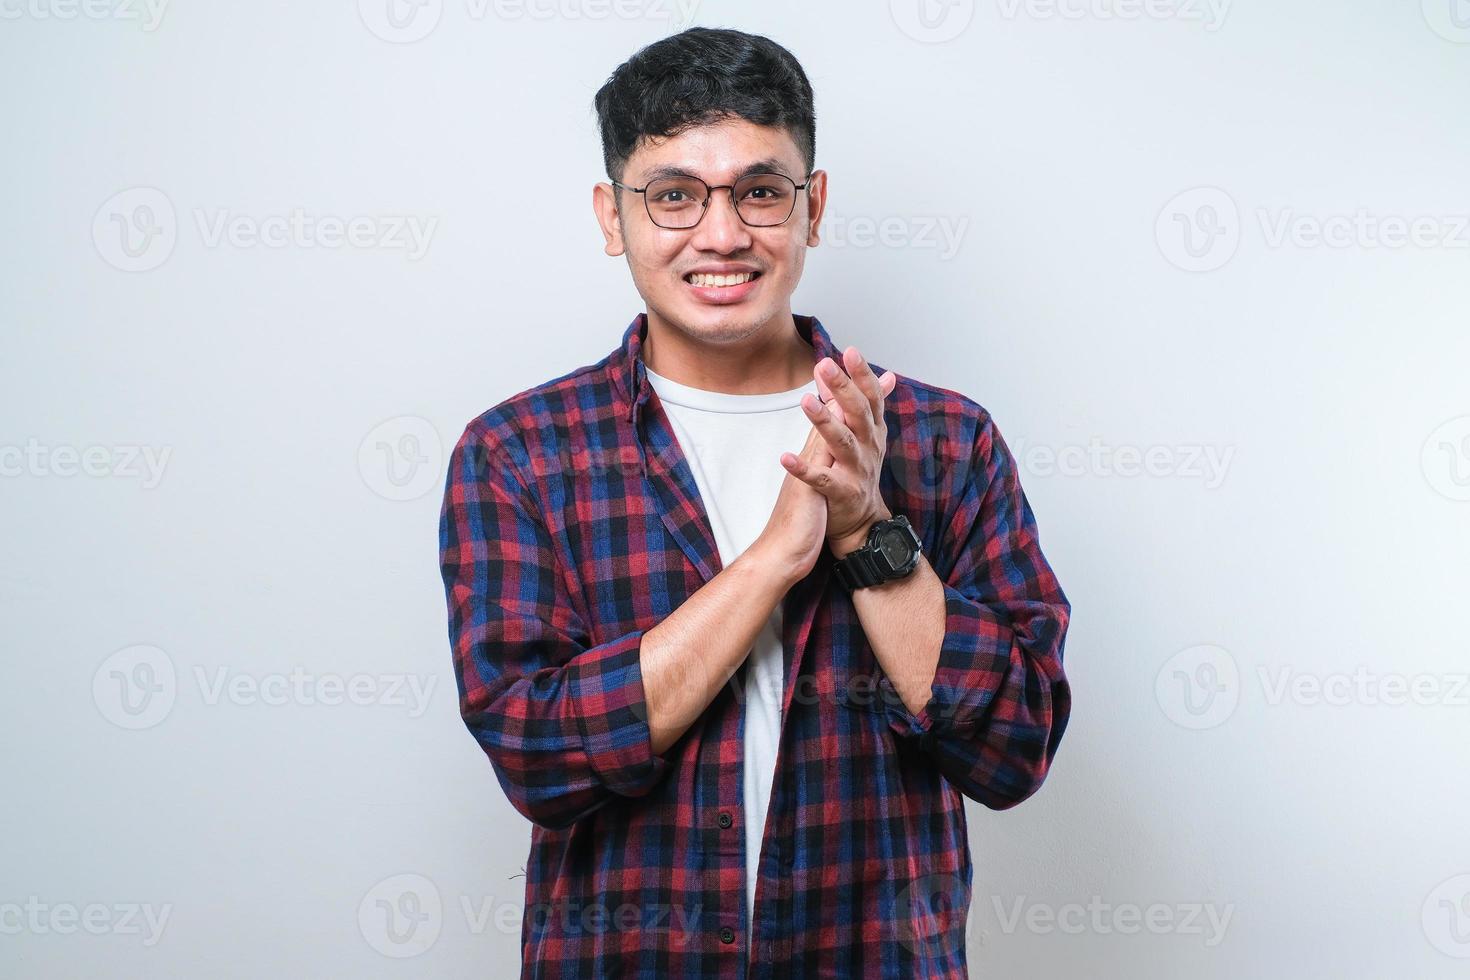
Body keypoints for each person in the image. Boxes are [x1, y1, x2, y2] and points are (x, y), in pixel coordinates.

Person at [438, 26, 1071, 979]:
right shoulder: (521, 454)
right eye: (674, 196)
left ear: (812, 208)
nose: (722, 233)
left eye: (759, 192)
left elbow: (1011, 752)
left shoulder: (947, 440)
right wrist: (777, 557)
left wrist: (867, 529)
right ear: (614, 218)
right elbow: (539, 756)